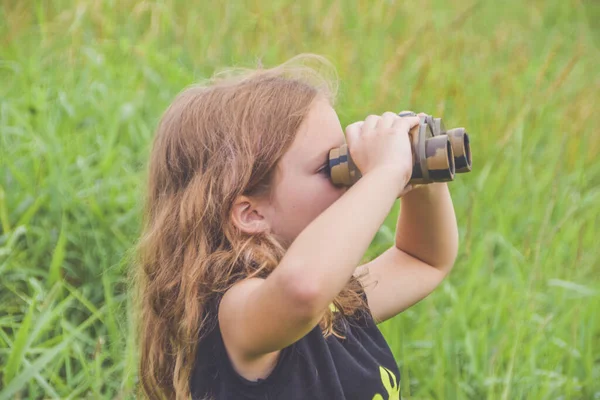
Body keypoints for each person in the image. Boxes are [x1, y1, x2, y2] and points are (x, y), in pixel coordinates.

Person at [133, 53, 459, 400]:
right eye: (328, 167)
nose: (351, 178)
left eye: (344, 157)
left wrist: (420, 173)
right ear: (250, 213)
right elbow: (301, 290)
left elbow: (423, 259)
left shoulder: (336, 306)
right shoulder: (238, 315)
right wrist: (386, 172)